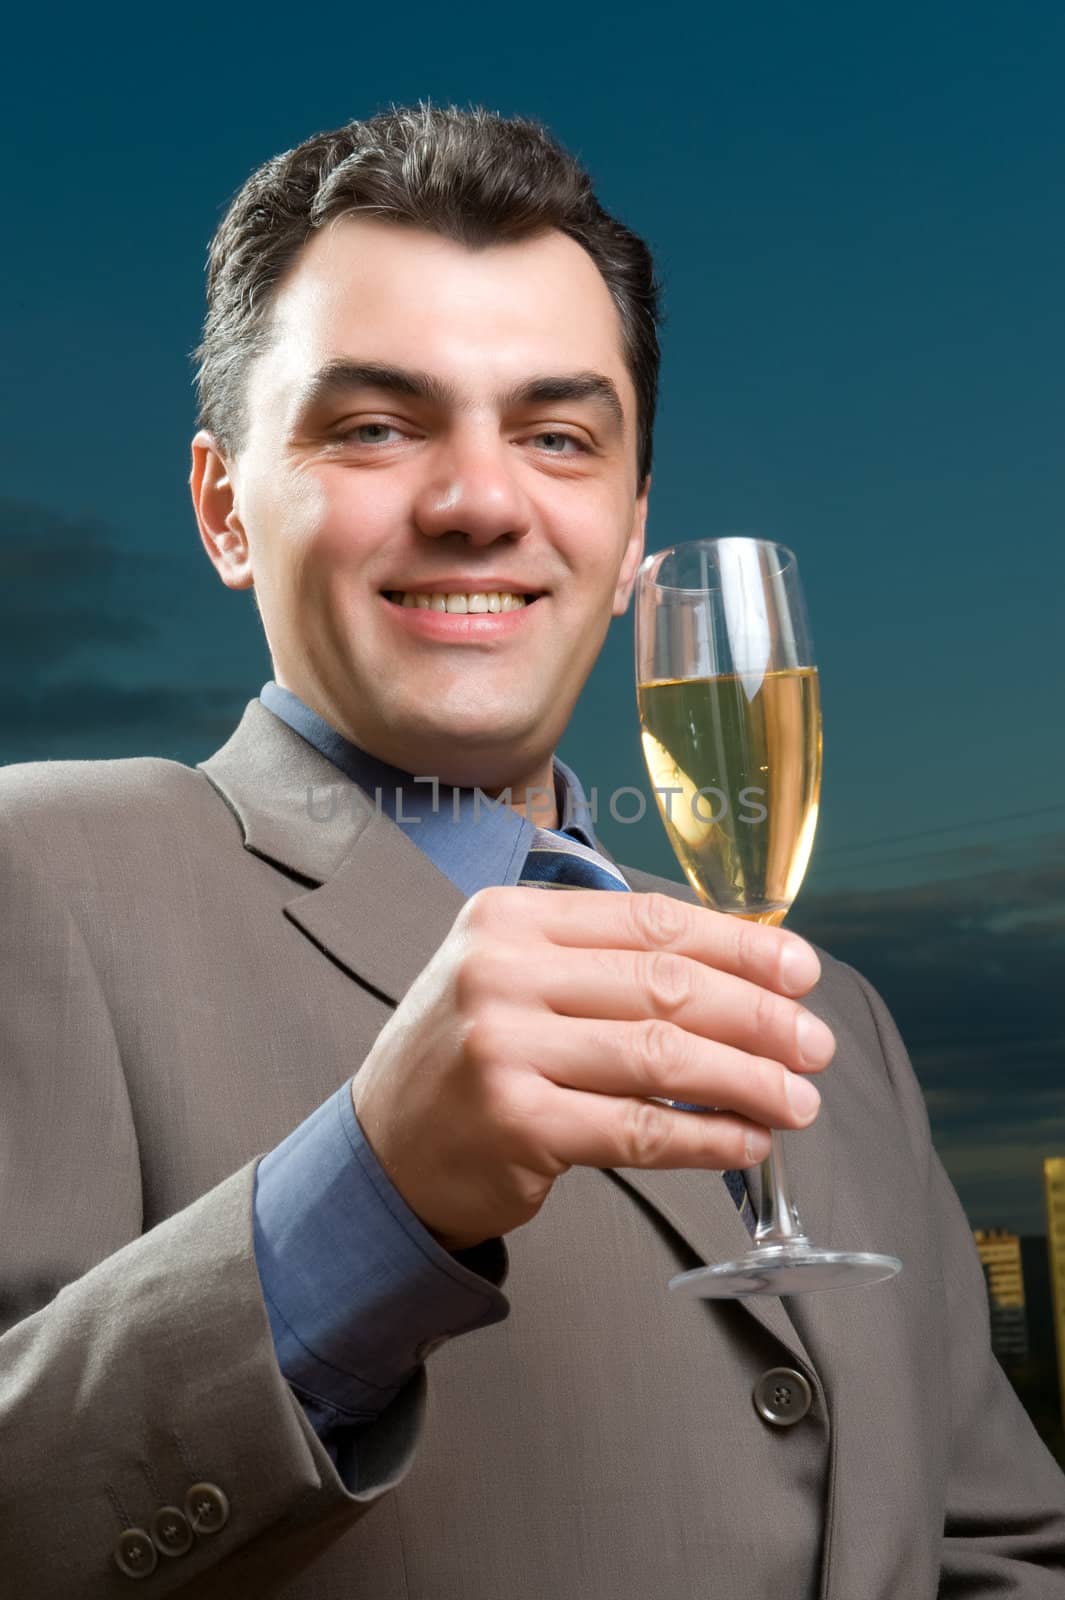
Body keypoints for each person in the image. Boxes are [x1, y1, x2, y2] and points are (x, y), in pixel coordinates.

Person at [1, 104, 1062, 1600]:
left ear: (631, 531)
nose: (480, 502)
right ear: (225, 508)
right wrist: (366, 1200)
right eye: (374, 426)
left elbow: (1001, 1550)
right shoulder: (36, 876)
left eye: (557, 438)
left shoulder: (840, 1027)